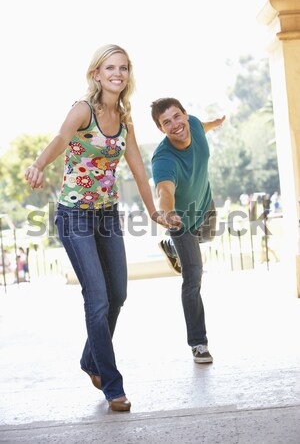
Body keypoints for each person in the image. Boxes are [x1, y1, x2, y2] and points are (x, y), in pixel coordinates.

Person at [25, 44, 166, 412]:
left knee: (117, 294)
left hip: (106, 215)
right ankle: (112, 385)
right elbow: (60, 138)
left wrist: (154, 212)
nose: (117, 73)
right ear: (96, 74)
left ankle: (91, 359)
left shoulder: (125, 120)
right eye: (110, 68)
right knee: (97, 297)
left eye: (123, 68)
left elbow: (137, 167)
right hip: (74, 215)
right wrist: (39, 164)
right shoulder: (82, 109)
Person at [150, 98, 225, 364]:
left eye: (177, 116)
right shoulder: (163, 159)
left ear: (185, 114)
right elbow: (164, 191)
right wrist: (168, 213)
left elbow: (200, 126)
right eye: (166, 122)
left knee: (208, 236)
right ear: (161, 129)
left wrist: (215, 123)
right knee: (193, 278)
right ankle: (199, 343)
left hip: (205, 206)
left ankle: (172, 249)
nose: (175, 125)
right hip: (179, 222)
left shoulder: (192, 124)